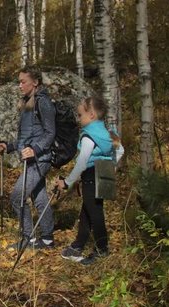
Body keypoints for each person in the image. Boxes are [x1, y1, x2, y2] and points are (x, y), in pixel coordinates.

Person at [55, 96, 123, 265]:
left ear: (91, 115)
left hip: (91, 175)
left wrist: (68, 182)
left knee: (95, 214)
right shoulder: (107, 132)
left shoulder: (89, 136)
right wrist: (111, 167)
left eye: (80, 115)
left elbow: (82, 162)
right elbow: (120, 150)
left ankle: (102, 249)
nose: (78, 119)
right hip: (102, 174)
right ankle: (77, 245)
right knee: (87, 211)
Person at [0, 66, 56, 250]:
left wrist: (35, 150)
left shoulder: (43, 103)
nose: (20, 85)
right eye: (19, 82)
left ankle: (28, 238)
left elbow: (50, 133)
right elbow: (27, 137)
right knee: (39, 197)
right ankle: (47, 239)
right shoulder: (28, 102)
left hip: (40, 160)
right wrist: (9, 146)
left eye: (23, 82)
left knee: (16, 196)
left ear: (35, 82)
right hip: (34, 159)